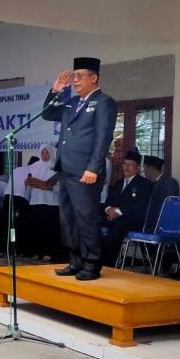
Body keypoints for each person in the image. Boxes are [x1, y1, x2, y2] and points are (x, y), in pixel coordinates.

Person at [41, 57, 118, 280]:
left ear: (94, 78)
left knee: (87, 218)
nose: (74, 80)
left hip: (85, 171)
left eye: (79, 76)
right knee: (71, 218)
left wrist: (94, 168)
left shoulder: (104, 102)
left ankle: (92, 264)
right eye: (73, 76)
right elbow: (47, 114)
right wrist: (55, 91)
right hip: (66, 168)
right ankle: (76, 260)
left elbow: (103, 137)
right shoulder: (72, 103)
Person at [101, 150, 153, 267]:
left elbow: (139, 205)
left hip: (133, 220)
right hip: (114, 217)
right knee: (92, 222)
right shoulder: (119, 183)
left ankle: (108, 265)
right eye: (125, 164)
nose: (126, 167)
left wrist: (118, 212)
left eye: (130, 165)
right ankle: (89, 259)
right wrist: (109, 210)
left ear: (137, 167)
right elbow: (108, 200)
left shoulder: (144, 184)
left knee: (117, 227)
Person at [25, 144, 63, 262]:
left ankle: (49, 253)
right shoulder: (34, 166)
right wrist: (27, 197)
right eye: (42, 153)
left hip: (51, 202)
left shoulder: (56, 166)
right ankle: (37, 251)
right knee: (37, 228)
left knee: (50, 228)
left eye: (47, 152)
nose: (45, 155)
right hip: (36, 201)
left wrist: (50, 187)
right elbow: (30, 184)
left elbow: (60, 185)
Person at [142, 155, 180, 232]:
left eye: (145, 168)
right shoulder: (153, 183)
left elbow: (168, 206)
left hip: (163, 223)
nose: (144, 171)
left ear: (151, 168)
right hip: (152, 220)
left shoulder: (169, 183)